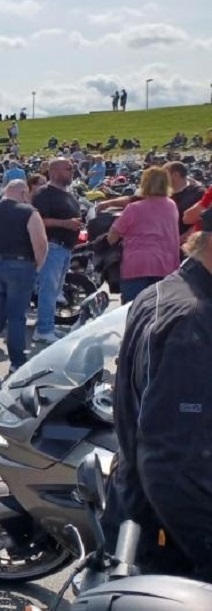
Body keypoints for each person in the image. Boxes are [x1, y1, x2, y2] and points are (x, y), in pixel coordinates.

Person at [107, 209, 212, 578]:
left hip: (143, 505)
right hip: (166, 532)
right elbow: (173, 460)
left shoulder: (168, 290)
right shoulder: (193, 320)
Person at [0, 180, 48, 373]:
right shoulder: (29, 212)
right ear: (23, 193)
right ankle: (17, 361)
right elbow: (41, 243)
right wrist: (38, 265)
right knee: (16, 316)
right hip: (20, 265)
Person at [105, 167, 180, 302]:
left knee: (133, 311)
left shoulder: (134, 208)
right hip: (166, 265)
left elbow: (112, 237)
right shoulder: (172, 206)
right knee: (159, 313)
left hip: (137, 266)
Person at [30, 157, 82, 344]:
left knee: (55, 290)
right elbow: (37, 220)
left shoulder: (68, 194)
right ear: (54, 172)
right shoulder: (44, 194)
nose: (72, 170)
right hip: (52, 246)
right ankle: (44, 329)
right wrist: (65, 223)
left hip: (65, 248)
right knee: (48, 290)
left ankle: (47, 326)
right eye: (68, 168)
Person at [167, 161, 205, 237]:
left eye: (164, 175)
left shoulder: (197, 193)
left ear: (175, 175)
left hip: (189, 243)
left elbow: (203, 220)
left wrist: (182, 239)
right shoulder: (163, 193)